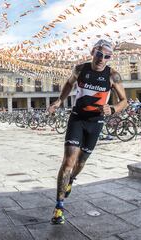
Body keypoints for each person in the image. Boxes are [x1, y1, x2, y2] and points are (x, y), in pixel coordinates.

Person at [48, 40, 128, 224]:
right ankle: (59, 207)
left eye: (107, 56)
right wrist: (60, 100)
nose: (102, 59)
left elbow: (124, 100)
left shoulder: (112, 75)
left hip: (96, 123)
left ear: (110, 58)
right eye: (99, 54)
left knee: (81, 162)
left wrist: (114, 109)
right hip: (77, 118)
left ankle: (71, 180)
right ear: (93, 52)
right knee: (68, 161)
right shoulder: (80, 69)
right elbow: (69, 84)